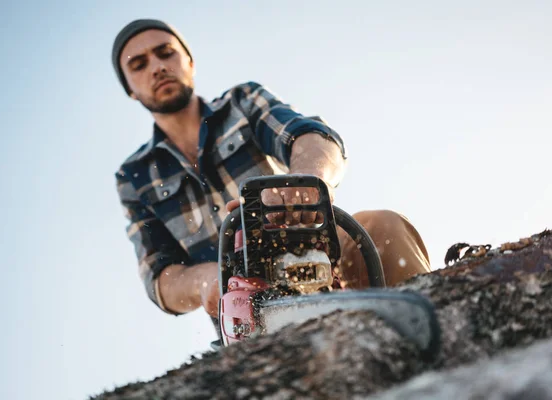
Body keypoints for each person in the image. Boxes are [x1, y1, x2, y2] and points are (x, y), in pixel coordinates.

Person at [111, 19, 431, 332]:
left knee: (382, 228)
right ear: (130, 90)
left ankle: (437, 324)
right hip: (251, 322)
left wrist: (305, 181)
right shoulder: (134, 176)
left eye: (165, 53)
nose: (156, 67)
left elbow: (312, 137)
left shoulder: (242, 103)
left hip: (325, 265)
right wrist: (209, 280)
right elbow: (159, 279)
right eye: (138, 64)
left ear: (189, 62)